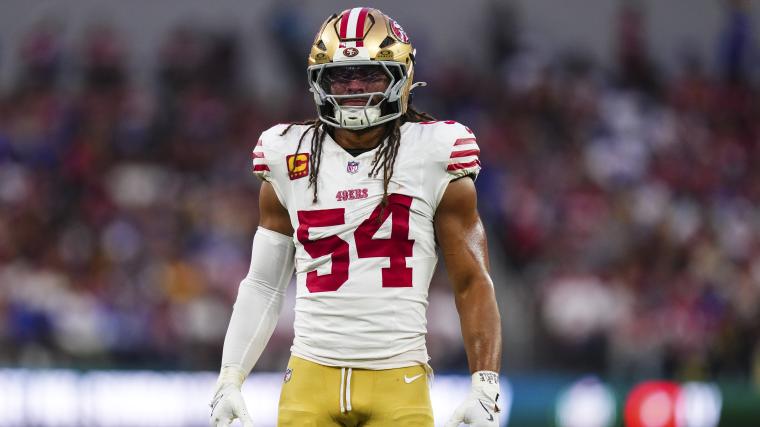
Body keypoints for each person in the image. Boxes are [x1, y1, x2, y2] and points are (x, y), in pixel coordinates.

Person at [210, 7, 502, 427]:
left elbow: (473, 280)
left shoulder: (434, 151)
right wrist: (229, 377)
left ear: (401, 77)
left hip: (397, 378)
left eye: (369, 75)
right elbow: (264, 283)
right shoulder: (287, 153)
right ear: (319, 82)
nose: (354, 88)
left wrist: (485, 384)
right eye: (340, 76)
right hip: (309, 377)